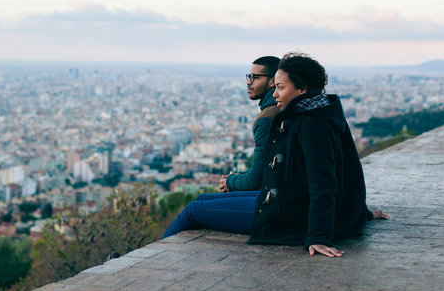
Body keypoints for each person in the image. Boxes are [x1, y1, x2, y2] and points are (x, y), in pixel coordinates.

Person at [162, 52, 386, 257]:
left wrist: (319, 236)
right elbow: (349, 167)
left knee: (194, 209)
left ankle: (158, 260)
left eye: (280, 87)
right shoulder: (323, 110)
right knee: (200, 200)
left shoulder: (310, 124)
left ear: (302, 88)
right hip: (285, 201)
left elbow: (324, 182)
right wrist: (358, 212)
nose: (275, 93)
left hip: (287, 214)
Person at [219, 56, 281, 192]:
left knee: (195, 208)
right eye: (249, 76)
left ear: (272, 81)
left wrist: (230, 181)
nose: (248, 82)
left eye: (255, 77)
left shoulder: (267, 118)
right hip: (281, 190)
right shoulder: (278, 109)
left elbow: (255, 181)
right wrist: (239, 177)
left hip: (273, 197)